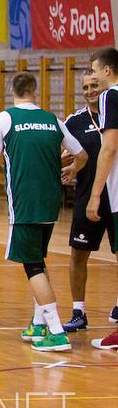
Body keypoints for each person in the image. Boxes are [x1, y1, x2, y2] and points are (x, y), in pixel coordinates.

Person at [0, 72, 85, 352]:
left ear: (12, 90)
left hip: (25, 202)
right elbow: (82, 155)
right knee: (38, 260)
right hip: (51, 201)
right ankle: (39, 324)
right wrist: (70, 169)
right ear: (35, 91)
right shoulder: (54, 120)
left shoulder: (3, 119)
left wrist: (12, 167)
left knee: (33, 266)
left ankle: (56, 331)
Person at [63, 70, 118, 332]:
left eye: (94, 85)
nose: (90, 91)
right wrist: (71, 166)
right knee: (78, 254)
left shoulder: (115, 108)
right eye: (85, 87)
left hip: (115, 195)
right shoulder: (74, 121)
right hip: (88, 196)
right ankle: (78, 311)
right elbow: (66, 154)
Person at [86, 47, 118, 351]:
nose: (92, 77)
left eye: (94, 70)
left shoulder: (110, 96)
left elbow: (109, 147)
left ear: (106, 70)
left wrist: (95, 194)